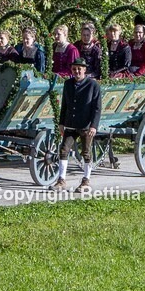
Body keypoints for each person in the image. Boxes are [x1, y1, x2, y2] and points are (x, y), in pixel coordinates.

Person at [52, 58, 101, 193]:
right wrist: (61, 122)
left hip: (85, 125)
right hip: (71, 124)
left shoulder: (93, 85)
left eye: (79, 69)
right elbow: (64, 105)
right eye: (74, 69)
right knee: (63, 150)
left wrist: (93, 126)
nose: (77, 71)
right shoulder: (68, 84)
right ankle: (61, 180)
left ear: (84, 70)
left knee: (86, 152)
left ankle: (86, 180)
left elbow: (97, 108)